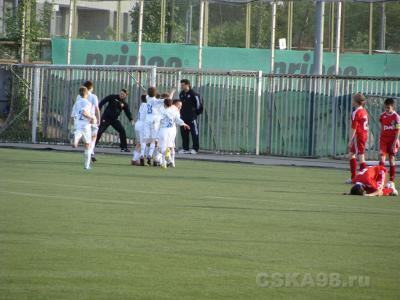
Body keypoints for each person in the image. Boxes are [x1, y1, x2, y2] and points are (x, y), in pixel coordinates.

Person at [158, 98, 190, 169]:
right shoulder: (174, 111)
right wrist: (184, 124)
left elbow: (157, 119)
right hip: (172, 131)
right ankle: (166, 163)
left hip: (163, 130)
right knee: (170, 146)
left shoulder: (162, 111)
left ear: (164, 104)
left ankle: (167, 160)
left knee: (161, 148)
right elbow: (177, 119)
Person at [70, 86, 97, 170]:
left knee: (78, 133)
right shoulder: (88, 103)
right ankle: (87, 166)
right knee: (88, 145)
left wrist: (71, 126)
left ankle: (76, 137)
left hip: (77, 123)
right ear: (86, 94)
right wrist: (92, 118)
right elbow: (83, 112)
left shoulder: (76, 103)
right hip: (85, 125)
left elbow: (72, 116)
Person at [346, 93, 368, 183]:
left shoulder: (356, 112)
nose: (352, 101)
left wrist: (350, 140)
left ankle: (365, 179)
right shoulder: (364, 111)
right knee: (351, 154)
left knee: (361, 157)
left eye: (353, 100)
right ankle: (353, 178)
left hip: (358, 136)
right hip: (363, 135)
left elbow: (354, 128)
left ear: (356, 102)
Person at [379, 97, 400, 184]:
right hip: (383, 140)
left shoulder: (396, 117)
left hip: (392, 141)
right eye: (385, 107)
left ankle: (391, 181)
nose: (387, 109)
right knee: (381, 158)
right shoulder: (382, 116)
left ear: (393, 107)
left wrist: (395, 142)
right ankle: (380, 179)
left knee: (391, 159)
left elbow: (398, 130)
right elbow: (382, 127)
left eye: (388, 108)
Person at [178, 79, 202, 154]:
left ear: (187, 85)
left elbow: (199, 105)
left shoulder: (194, 94)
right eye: (181, 85)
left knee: (194, 133)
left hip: (192, 118)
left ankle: (195, 148)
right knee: (184, 133)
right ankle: (185, 148)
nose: (182, 86)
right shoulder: (181, 94)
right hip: (183, 118)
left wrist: (194, 114)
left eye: (183, 85)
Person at [82, 81, 100, 162]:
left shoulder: (80, 96)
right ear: (91, 88)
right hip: (92, 118)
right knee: (94, 136)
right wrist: (99, 119)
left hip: (83, 119)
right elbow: (96, 109)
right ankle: (91, 152)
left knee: (87, 138)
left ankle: (89, 152)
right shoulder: (93, 96)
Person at [132, 94, 148, 166]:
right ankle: (135, 159)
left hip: (137, 124)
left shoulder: (142, 105)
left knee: (139, 143)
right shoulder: (147, 105)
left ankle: (134, 158)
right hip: (142, 125)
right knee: (142, 143)